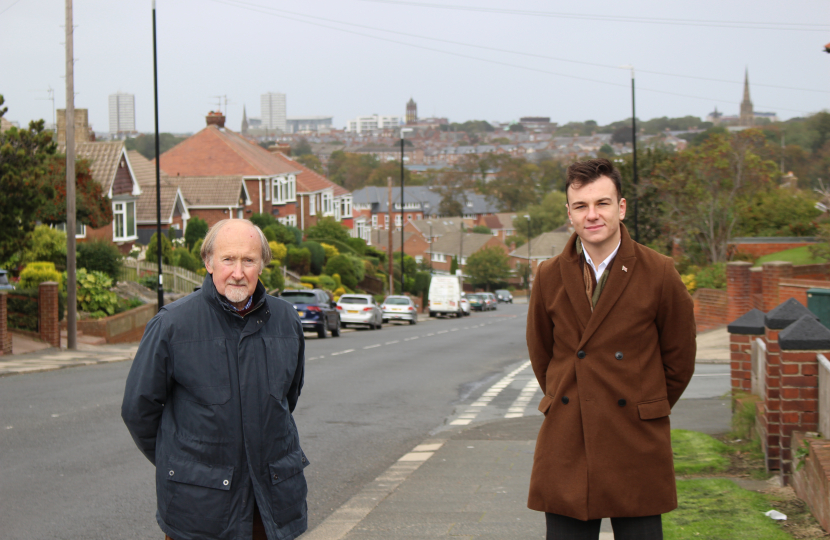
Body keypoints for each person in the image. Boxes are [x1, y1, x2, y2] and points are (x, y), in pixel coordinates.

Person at [526, 158, 696, 540]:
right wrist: (570, 394)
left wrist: (645, 403)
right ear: (569, 214)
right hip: (568, 437)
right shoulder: (549, 275)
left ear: (620, 207)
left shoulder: (659, 272)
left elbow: (680, 360)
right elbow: (542, 354)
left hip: (635, 439)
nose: (592, 215)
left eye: (602, 203)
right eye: (581, 206)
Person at [122, 219, 308, 540]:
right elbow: (139, 410)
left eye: (248, 260)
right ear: (208, 262)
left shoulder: (287, 320)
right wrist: (184, 465)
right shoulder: (172, 325)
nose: (238, 272)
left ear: (261, 265)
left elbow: (287, 398)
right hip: (199, 510)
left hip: (270, 506)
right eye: (228, 259)